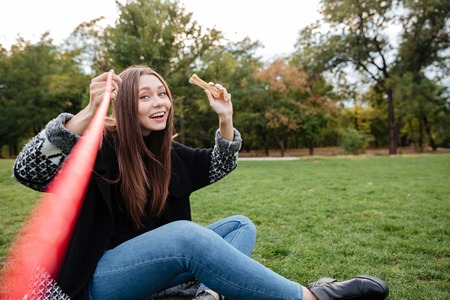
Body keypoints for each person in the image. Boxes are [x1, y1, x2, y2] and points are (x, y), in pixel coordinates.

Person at [13, 65, 389, 300]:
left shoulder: (168, 155)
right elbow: (28, 171)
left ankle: (209, 293)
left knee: (240, 225)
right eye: (145, 97)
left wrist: (225, 118)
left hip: (158, 272)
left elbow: (219, 164)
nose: (158, 102)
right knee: (186, 236)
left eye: (162, 94)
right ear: (126, 104)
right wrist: (88, 113)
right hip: (99, 280)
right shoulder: (100, 145)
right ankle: (310, 296)